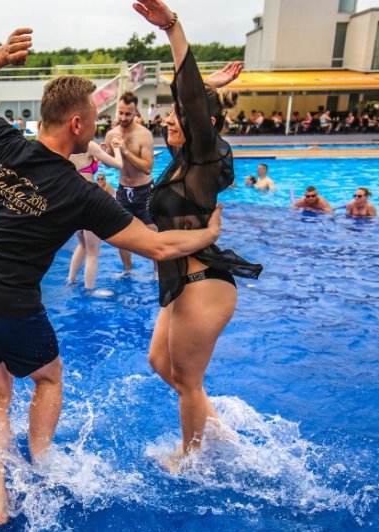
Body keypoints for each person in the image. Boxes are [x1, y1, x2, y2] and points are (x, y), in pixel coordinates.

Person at [0, 27, 223, 526]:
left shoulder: (0, 138)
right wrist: (206, 237)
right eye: (93, 122)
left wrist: (2, 57)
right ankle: (44, 464)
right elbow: (156, 244)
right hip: (7, 307)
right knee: (48, 377)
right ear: (76, 123)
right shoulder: (80, 192)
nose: (97, 129)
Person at [133, 0, 262, 467]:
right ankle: (219, 429)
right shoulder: (183, 166)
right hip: (178, 283)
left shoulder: (204, 163)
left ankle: (189, 459)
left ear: (203, 126)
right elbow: (192, 102)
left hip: (203, 284)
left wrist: (172, 28)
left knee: (186, 380)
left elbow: (190, 100)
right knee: (160, 365)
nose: (169, 118)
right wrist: (212, 87)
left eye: (178, 114)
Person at [105, 91, 155, 274]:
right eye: (120, 112)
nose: (123, 117)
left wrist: (125, 151)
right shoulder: (111, 135)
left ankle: (157, 273)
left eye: (128, 113)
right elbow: (111, 162)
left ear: (136, 113)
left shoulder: (144, 135)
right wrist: (106, 154)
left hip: (144, 191)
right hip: (123, 190)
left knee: (152, 234)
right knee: (122, 234)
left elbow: (147, 167)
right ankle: (128, 271)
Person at [67, 140, 122, 290]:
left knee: (82, 244)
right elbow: (118, 164)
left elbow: (81, 170)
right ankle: (89, 291)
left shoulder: (67, 144)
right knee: (93, 252)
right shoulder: (89, 145)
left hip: (72, 202)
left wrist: (96, 156)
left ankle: (70, 281)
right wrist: (117, 149)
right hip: (88, 202)